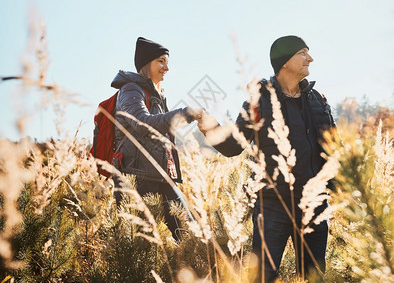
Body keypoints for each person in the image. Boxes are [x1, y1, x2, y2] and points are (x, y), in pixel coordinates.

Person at [198, 36, 335, 281]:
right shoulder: (260, 101)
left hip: (314, 204)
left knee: (313, 277)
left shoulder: (318, 100)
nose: (310, 58)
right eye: (303, 53)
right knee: (263, 277)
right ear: (284, 62)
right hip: (273, 205)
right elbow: (232, 145)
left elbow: (332, 152)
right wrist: (208, 126)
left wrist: (343, 193)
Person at [111, 37, 200, 241]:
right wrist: (185, 114)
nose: (166, 68)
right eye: (161, 61)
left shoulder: (157, 95)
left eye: (166, 62)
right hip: (137, 178)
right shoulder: (130, 90)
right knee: (141, 246)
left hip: (161, 176)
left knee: (189, 235)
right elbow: (143, 123)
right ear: (146, 63)